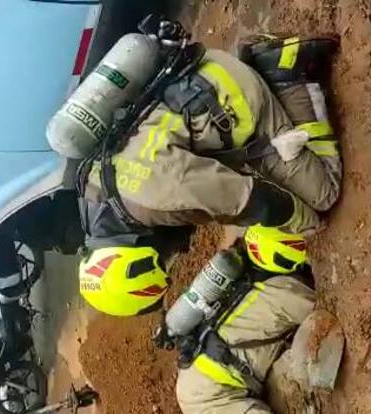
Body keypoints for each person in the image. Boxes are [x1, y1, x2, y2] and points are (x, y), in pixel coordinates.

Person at [72, 25, 343, 317]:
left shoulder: (155, 198)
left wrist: (307, 224)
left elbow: (255, 200)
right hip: (193, 82)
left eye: (162, 263)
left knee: (322, 195)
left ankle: (286, 71)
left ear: (140, 262)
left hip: (233, 95)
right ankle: (255, 63)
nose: (177, 254)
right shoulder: (94, 188)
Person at [169, 225, 342, 414]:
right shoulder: (290, 293)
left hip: (199, 376)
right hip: (208, 396)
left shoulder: (243, 267)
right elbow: (332, 305)